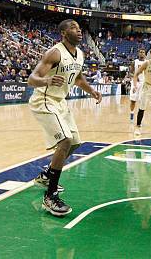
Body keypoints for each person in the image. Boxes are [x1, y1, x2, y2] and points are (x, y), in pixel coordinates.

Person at [28, 19, 102, 217]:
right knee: (65, 141)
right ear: (63, 33)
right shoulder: (55, 52)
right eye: (73, 28)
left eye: (79, 28)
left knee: (75, 143)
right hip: (44, 99)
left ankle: (47, 175)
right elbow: (31, 79)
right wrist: (47, 80)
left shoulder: (80, 54)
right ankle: (50, 196)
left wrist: (92, 91)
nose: (78, 31)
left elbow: (77, 78)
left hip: (61, 102)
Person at [129, 49, 146, 122]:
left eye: (143, 52)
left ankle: (140, 116)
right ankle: (132, 114)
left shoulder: (147, 62)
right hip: (135, 83)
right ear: (138, 53)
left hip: (144, 83)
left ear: (145, 54)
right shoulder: (134, 62)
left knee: (142, 101)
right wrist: (135, 76)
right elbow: (130, 73)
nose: (141, 53)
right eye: (140, 52)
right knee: (133, 100)